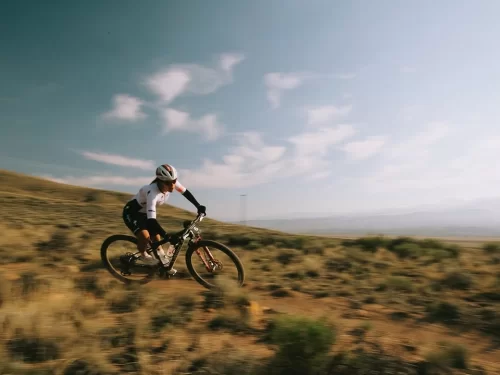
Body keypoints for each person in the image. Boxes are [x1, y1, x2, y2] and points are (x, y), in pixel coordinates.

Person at [122, 163, 206, 272]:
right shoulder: (152, 192)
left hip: (145, 214)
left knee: (157, 240)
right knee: (145, 237)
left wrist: (198, 206)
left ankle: (165, 266)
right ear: (160, 181)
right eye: (168, 183)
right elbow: (152, 220)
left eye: (174, 181)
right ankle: (143, 255)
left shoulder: (171, 181)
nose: (172, 185)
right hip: (132, 213)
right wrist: (167, 236)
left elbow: (186, 193)